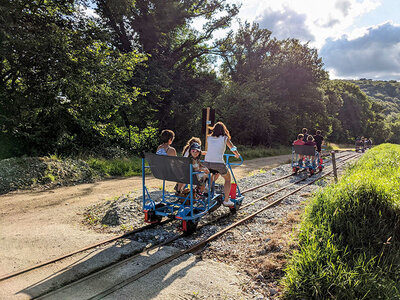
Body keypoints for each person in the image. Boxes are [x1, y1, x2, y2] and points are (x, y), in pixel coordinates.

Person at [203, 122, 240, 207]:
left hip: (207, 162)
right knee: (227, 179)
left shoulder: (209, 138)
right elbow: (232, 147)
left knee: (212, 174)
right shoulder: (224, 138)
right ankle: (226, 200)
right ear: (224, 130)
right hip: (218, 163)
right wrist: (237, 154)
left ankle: (208, 188)